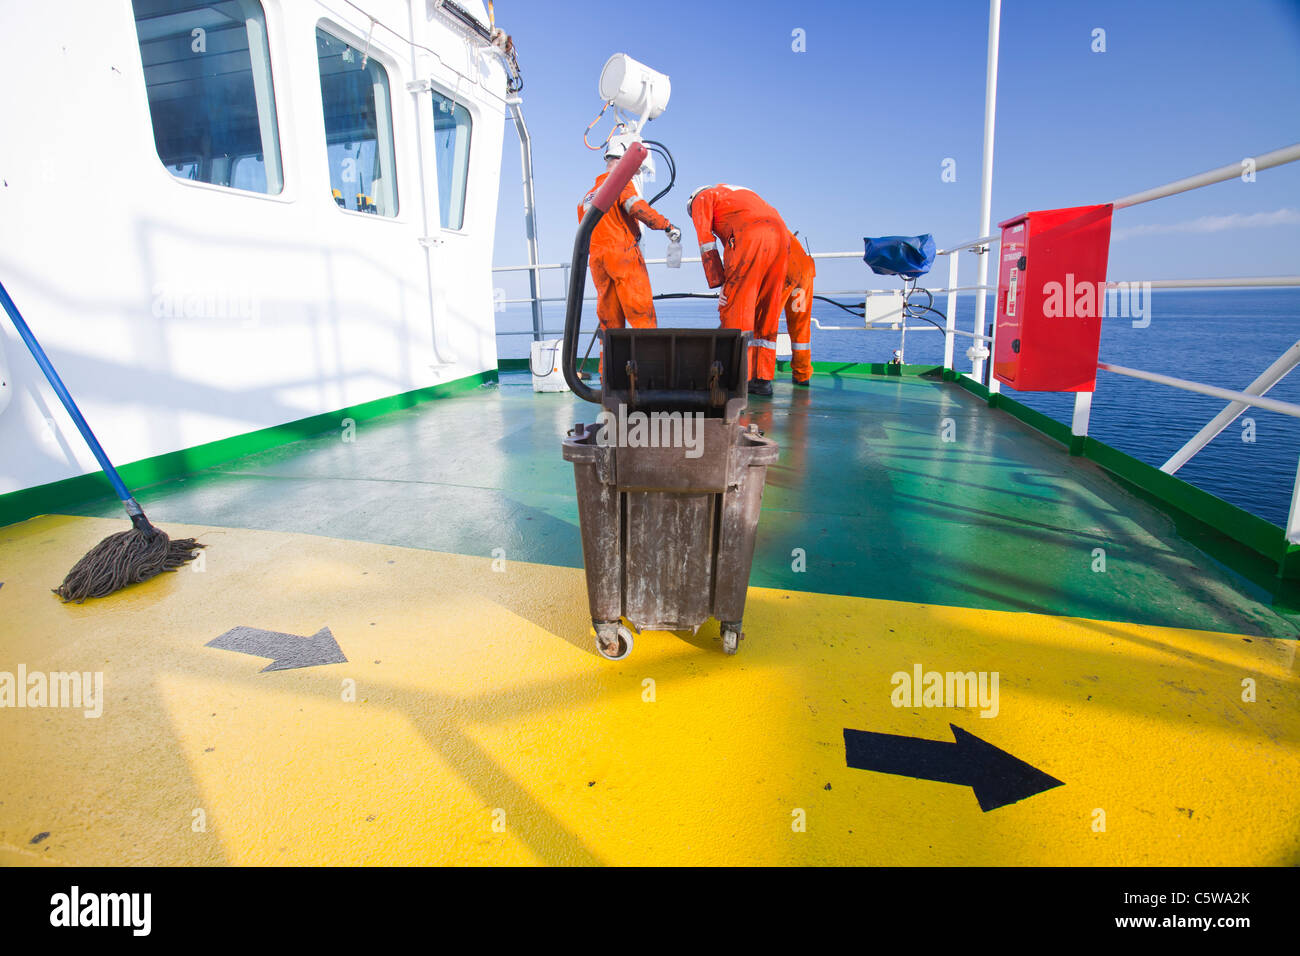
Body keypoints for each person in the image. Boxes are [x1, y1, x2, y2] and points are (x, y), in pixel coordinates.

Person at [578, 141, 682, 358]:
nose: (635, 173)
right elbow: (636, 207)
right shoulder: (620, 182)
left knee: (609, 322)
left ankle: (609, 377)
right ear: (624, 161)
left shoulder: (586, 197)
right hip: (622, 255)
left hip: (597, 262)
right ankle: (649, 372)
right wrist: (667, 226)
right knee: (640, 314)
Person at [686, 184, 789, 396]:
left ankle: (735, 382)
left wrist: (720, 282)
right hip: (781, 236)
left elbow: (706, 242)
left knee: (736, 309)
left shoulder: (701, 198)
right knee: (766, 309)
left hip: (750, 236)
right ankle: (761, 380)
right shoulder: (738, 193)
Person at [783, 230, 815, 387]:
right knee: (800, 326)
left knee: (764, 324)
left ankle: (760, 377)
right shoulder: (780, 228)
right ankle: (802, 375)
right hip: (803, 270)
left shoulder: (752, 230)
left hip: (783, 269)